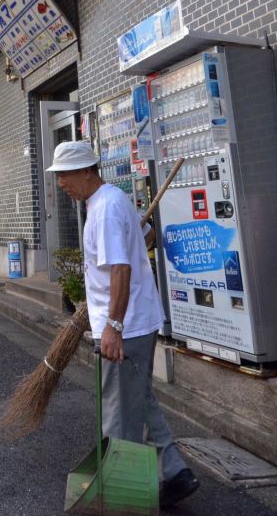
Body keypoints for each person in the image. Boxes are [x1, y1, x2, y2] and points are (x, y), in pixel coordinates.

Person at [46, 140, 199, 510]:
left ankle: (122, 500)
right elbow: (140, 243)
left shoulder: (107, 208)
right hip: (130, 323)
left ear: (86, 171)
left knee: (119, 417)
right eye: (58, 176)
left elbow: (121, 268)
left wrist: (113, 325)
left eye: (65, 174)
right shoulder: (109, 203)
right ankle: (174, 472)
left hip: (126, 328)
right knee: (138, 399)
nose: (61, 182)